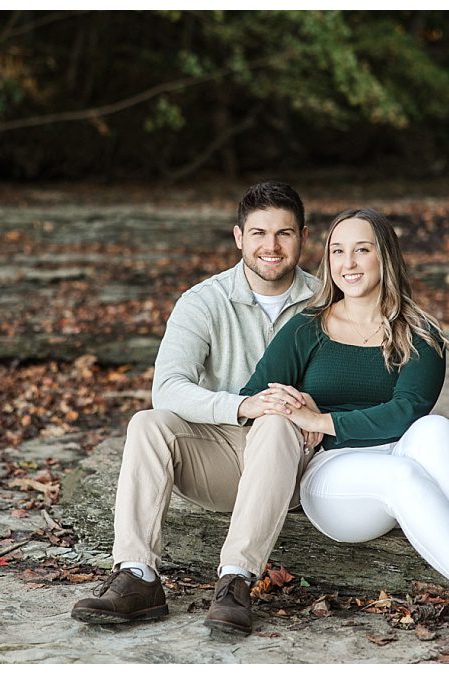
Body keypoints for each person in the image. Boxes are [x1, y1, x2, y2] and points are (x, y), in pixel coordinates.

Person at [239, 207, 449, 655]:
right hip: (331, 479)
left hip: (397, 451)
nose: (349, 263)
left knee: (436, 428)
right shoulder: (306, 327)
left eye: (362, 250)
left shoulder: (419, 332)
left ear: (385, 257)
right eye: (338, 251)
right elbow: (253, 396)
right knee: (403, 476)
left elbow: (407, 412)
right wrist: (294, 405)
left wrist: (322, 420)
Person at [71, 180, 322, 636]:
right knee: (148, 424)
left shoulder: (327, 301)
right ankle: (137, 576)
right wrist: (244, 404)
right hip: (223, 457)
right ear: (238, 237)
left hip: (301, 462)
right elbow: (167, 388)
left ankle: (236, 580)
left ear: (303, 237)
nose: (271, 245)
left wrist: (313, 411)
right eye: (259, 233)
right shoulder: (203, 301)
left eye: (284, 233)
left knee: (276, 423)